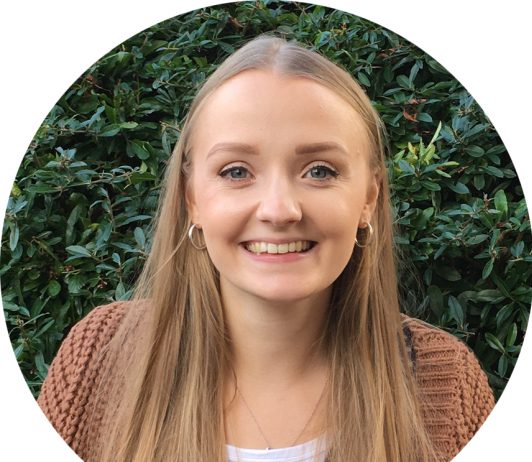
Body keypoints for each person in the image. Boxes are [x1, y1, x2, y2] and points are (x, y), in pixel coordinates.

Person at [37, 35, 495, 462]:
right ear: (192, 198)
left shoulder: (448, 388)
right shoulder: (97, 360)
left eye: (320, 171)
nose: (279, 210)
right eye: (236, 171)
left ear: (369, 199)